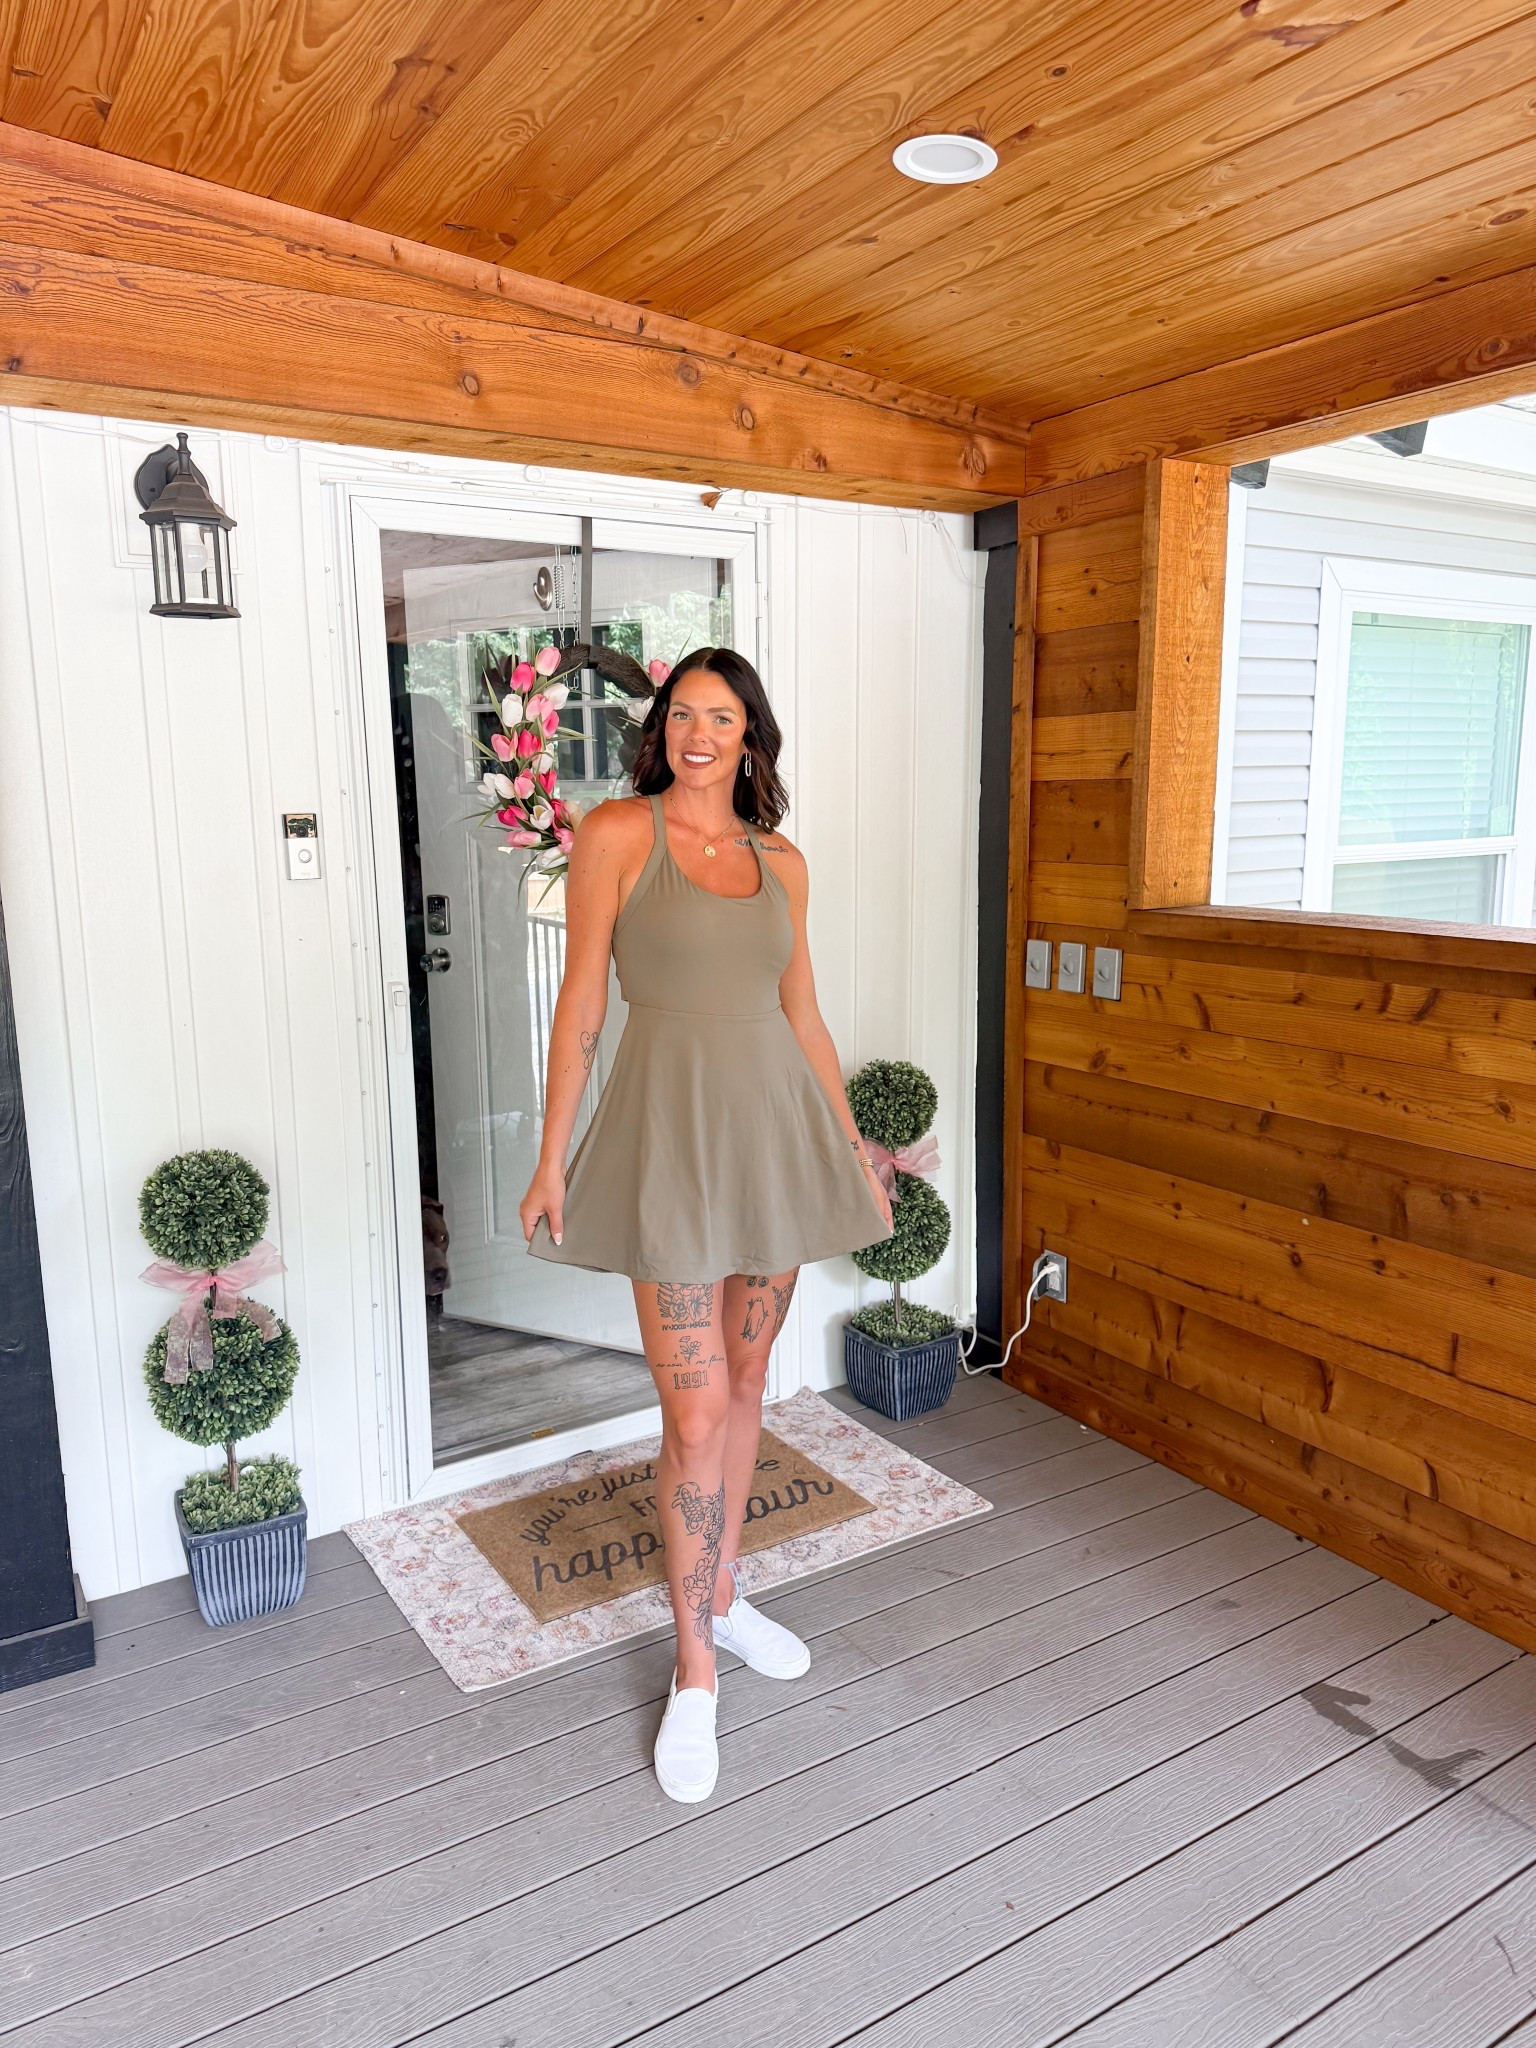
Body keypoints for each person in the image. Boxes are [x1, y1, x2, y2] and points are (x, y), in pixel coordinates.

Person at [519, 646, 893, 1803]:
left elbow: (805, 1014)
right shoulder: (615, 835)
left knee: (748, 1380)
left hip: (777, 1146)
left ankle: (723, 1595)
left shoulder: (784, 861)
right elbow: (583, 1001)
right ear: (661, 728)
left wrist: (855, 1150)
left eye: (720, 717)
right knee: (692, 1410)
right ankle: (694, 1672)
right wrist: (551, 1154)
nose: (697, 733)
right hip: (671, 1148)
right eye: (682, 713)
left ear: (750, 737)